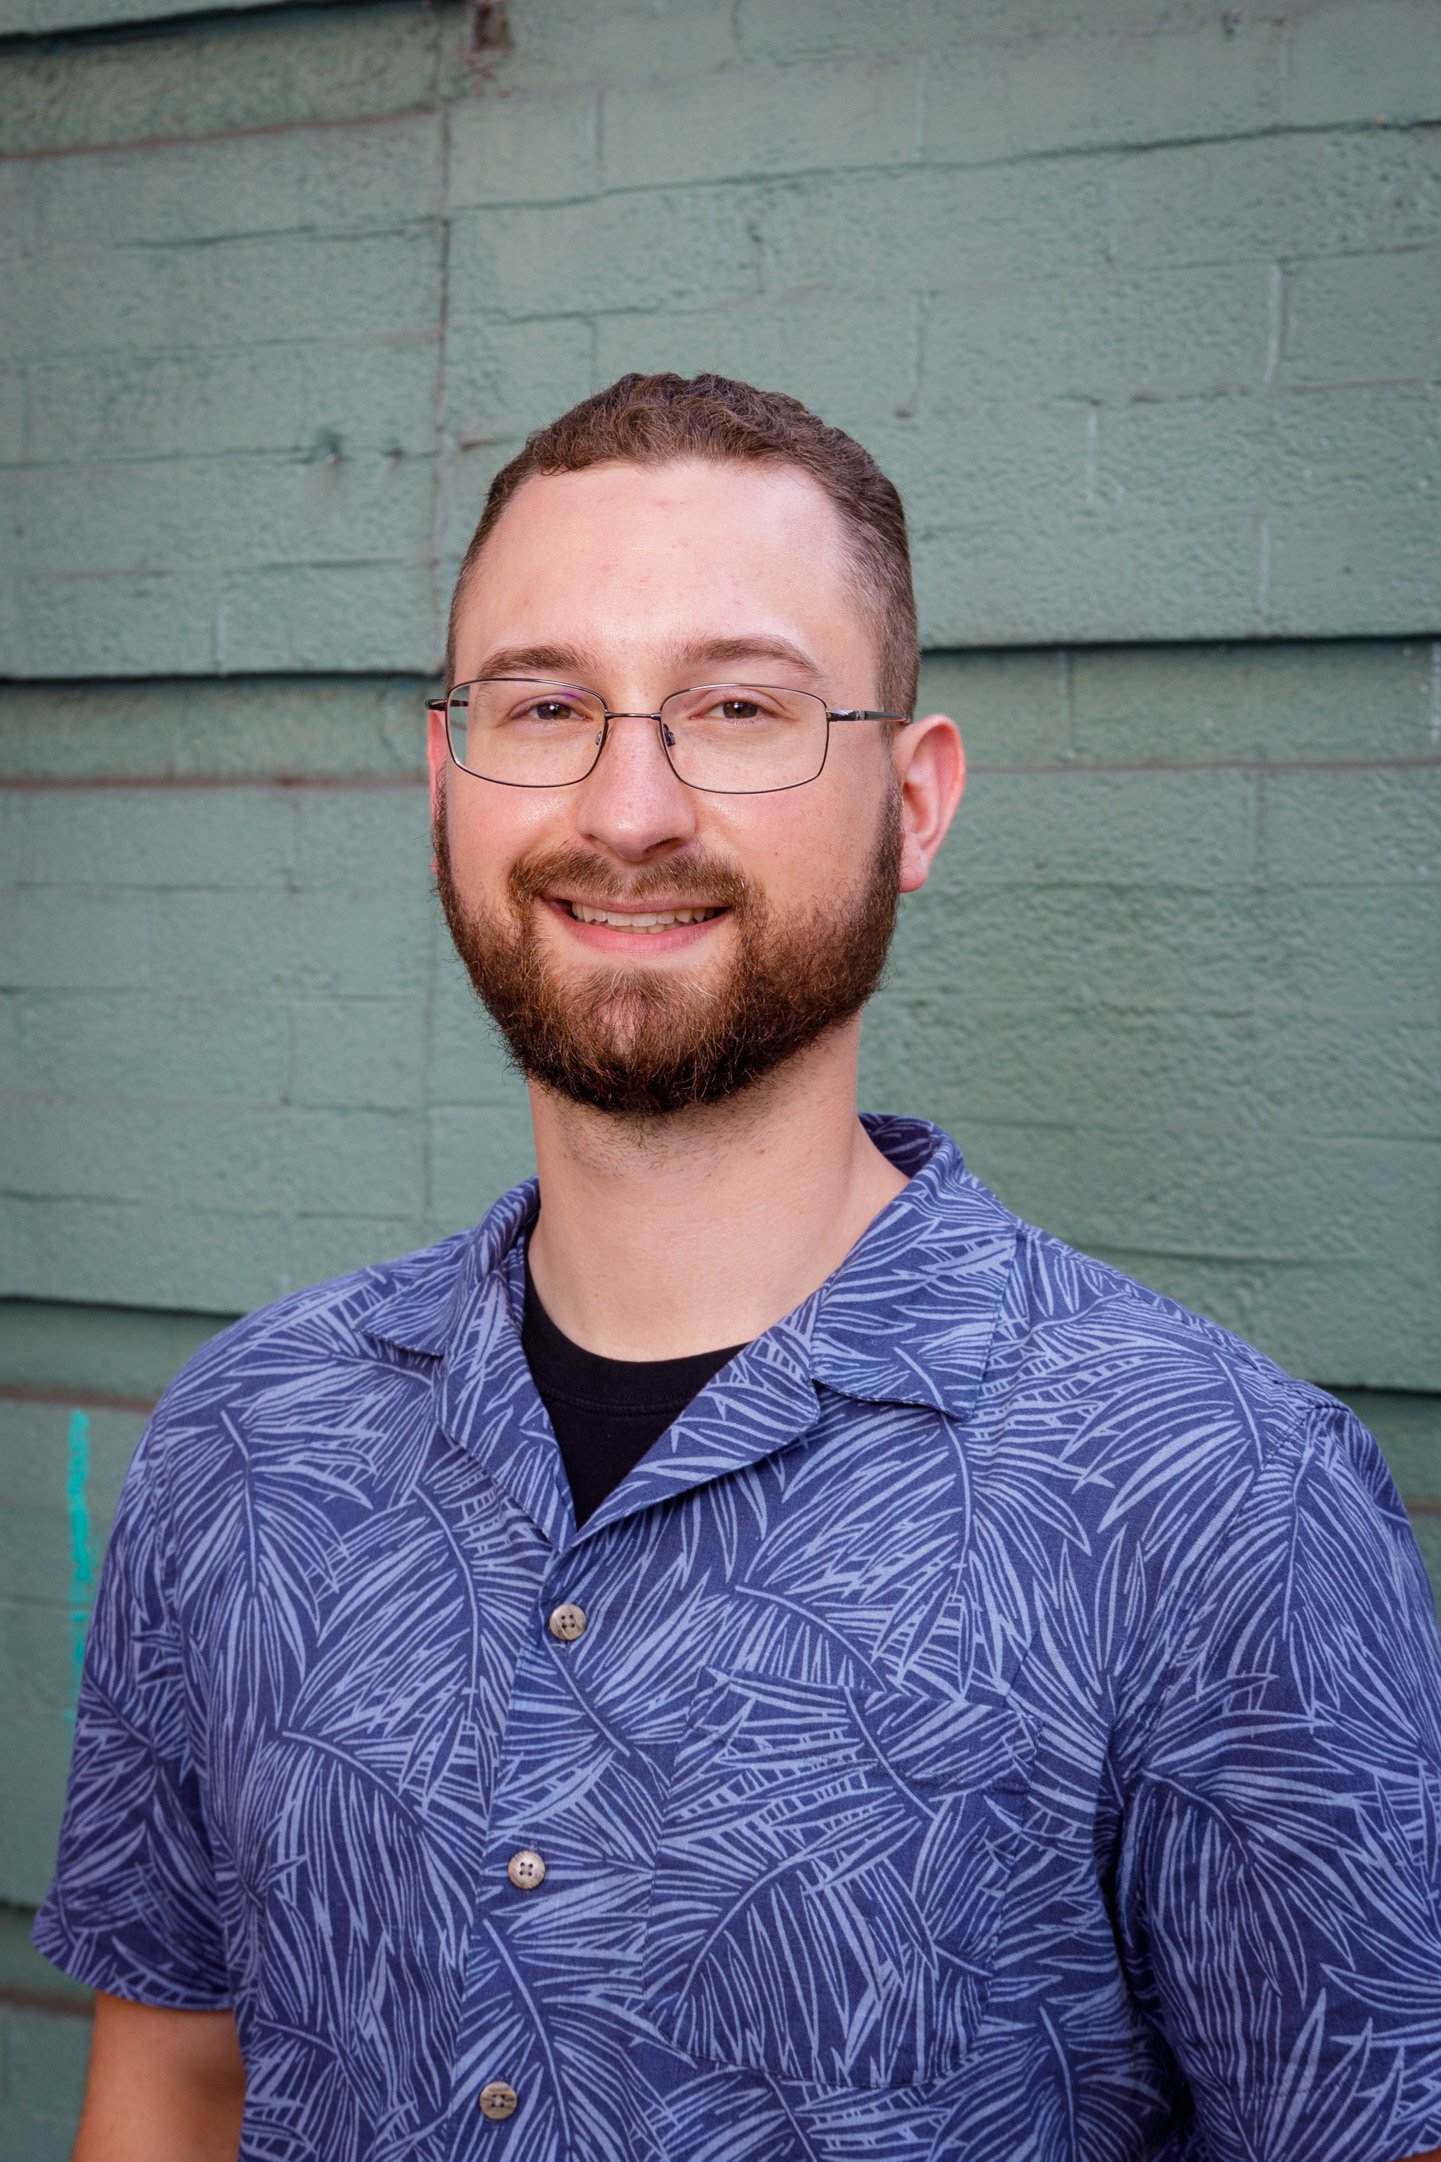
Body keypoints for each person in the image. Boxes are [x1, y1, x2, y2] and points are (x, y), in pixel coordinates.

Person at [37, 373, 1441, 2162]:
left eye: (739, 705)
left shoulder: (1214, 1500)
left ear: (912, 803)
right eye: (544, 704)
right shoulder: (249, 1441)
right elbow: (177, 2084)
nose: (628, 804)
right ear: (448, 773)